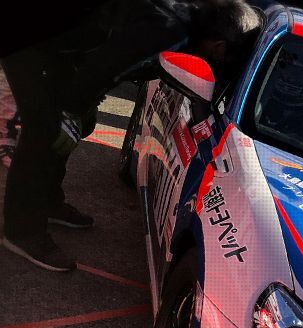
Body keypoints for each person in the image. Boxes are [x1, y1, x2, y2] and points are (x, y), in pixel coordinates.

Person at [1, 0, 261, 272]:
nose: (220, 65)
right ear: (219, 47)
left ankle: (46, 201)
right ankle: (22, 231)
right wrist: (72, 111)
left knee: (73, 125)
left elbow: (105, 60)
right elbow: (104, 66)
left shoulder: (182, 25)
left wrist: (80, 110)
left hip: (65, 50)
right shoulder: (168, 33)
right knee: (46, 130)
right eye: (226, 59)